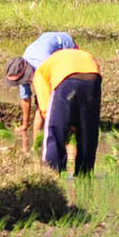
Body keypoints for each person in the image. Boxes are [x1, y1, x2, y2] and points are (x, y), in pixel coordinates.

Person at [31, 48, 102, 176]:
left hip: (67, 79)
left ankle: (50, 173)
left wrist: (54, 119)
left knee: (54, 132)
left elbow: (45, 105)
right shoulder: (61, 58)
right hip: (93, 77)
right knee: (88, 132)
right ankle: (84, 175)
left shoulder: (39, 73)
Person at [4, 32, 78, 135]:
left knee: (67, 92)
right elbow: (25, 98)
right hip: (45, 43)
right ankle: (36, 142)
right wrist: (25, 125)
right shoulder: (19, 70)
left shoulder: (43, 64)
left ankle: (73, 126)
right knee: (41, 102)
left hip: (64, 45)